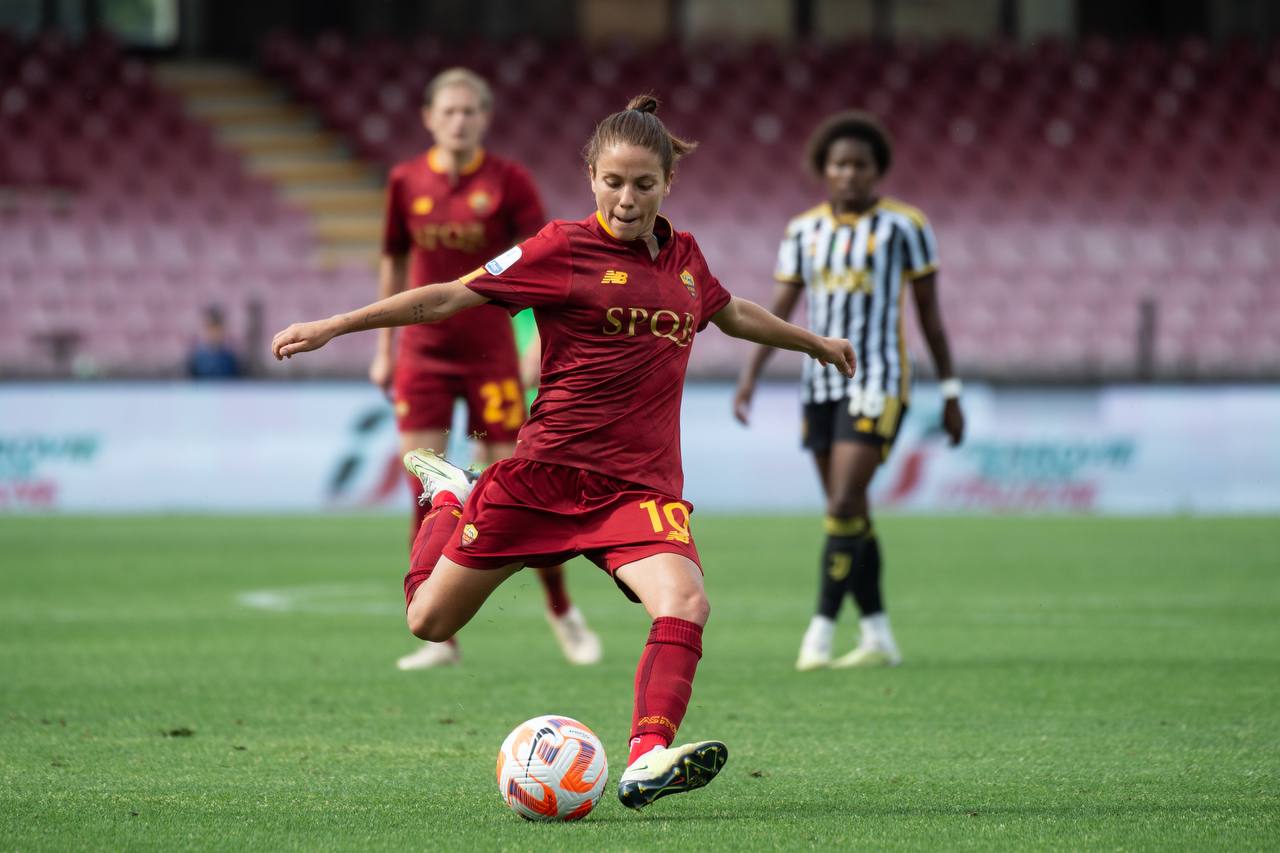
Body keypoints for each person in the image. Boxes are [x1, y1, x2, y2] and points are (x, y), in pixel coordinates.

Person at [271, 95, 855, 809]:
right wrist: (338, 324)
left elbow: (730, 313)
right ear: (590, 175)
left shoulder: (686, 258)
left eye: (644, 183)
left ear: (668, 182)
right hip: (542, 478)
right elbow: (451, 296)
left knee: (687, 601)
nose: (627, 197)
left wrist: (815, 343)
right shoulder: (563, 248)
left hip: (638, 488)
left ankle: (647, 755)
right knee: (428, 619)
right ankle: (452, 496)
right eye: (613, 181)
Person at [374, 67, 599, 670]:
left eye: (470, 111)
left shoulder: (508, 181)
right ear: (428, 117)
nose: (459, 120)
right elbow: (395, 260)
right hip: (422, 354)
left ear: (485, 118)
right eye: (448, 111)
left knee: (521, 489)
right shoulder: (406, 181)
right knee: (424, 488)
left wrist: (533, 342)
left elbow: (547, 265)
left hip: (493, 352)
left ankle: (560, 609)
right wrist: (384, 350)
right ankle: (439, 636)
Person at [732, 110, 965, 671]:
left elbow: (929, 315)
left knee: (841, 504)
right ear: (824, 171)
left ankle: (819, 633)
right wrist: (751, 375)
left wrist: (951, 390)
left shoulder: (905, 226)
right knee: (851, 511)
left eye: (861, 165)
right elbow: (779, 310)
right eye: (839, 165)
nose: (850, 175)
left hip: (879, 379)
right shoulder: (803, 231)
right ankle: (879, 635)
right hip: (819, 383)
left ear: (877, 170)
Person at [187, 306, 242, 379]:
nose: (214, 333)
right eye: (211, 329)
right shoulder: (197, 359)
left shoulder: (230, 358)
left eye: (217, 329)